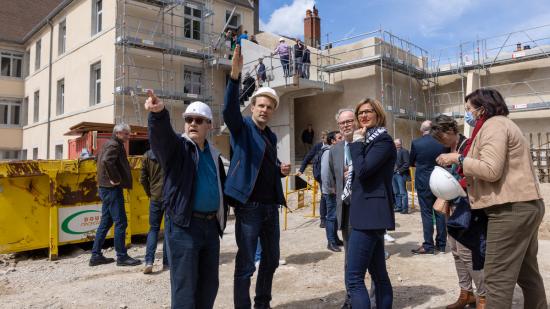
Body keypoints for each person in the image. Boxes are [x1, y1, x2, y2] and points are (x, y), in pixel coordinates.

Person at [435, 88, 547, 309]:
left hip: (509, 210)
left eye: (469, 109)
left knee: (496, 278)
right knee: (527, 273)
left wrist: (458, 158)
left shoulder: (494, 125)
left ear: (482, 108)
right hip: (523, 205)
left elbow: (490, 169)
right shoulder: (501, 125)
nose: (467, 114)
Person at [144, 96, 228, 308]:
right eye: (189, 119)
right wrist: (158, 114)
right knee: (185, 287)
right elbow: (161, 138)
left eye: (199, 120)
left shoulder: (214, 155)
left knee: (209, 285)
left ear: (209, 125)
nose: (193, 123)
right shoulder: (178, 149)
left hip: (210, 228)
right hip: (185, 227)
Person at [223, 45, 291, 309]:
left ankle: (262, 303)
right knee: (246, 264)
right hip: (249, 206)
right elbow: (229, 110)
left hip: (270, 206)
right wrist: (234, 77)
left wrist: (279, 170)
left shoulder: (270, 135)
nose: (264, 110)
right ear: (252, 107)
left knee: (271, 260)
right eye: (260, 105)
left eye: (269, 107)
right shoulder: (242, 128)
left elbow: (265, 164)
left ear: (273, 111)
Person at [430, 114, 486, 309]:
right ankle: (466, 292)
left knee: (468, 252)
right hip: (451, 204)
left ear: (451, 130)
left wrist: (452, 181)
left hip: (467, 206)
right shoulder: (446, 149)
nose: (440, 142)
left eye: (441, 137)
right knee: (454, 250)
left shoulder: (468, 145)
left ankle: (483, 296)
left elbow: (474, 175)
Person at [345, 98, 396, 309]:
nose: (363, 116)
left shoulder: (382, 141)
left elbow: (364, 171)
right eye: (360, 113)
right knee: (378, 274)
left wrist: (356, 144)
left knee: (354, 278)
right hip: (367, 212)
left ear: (378, 114)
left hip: (370, 214)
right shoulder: (369, 140)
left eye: (368, 111)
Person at [90, 123, 141, 267]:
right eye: (126, 133)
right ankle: (122, 257)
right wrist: (115, 178)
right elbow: (106, 161)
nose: (128, 136)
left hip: (105, 187)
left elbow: (97, 159)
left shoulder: (108, 143)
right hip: (111, 189)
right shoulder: (114, 145)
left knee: (106, 222)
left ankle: (95, 255)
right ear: (118, 133)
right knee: (121, 222)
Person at [328, 108, 356, 308]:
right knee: (349, 259)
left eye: (349, 121)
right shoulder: (335, 150)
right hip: (346, 211)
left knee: (372, 258)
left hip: (367, 210)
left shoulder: (367, 143)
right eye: (342, 123)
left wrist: (355, 176)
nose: (346, 125)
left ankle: (373, 299)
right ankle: (350, 297)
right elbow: (332, 181)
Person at [410, 120, 448, 255]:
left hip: (423, 181)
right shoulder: (442, 142)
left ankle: (428, 245)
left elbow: (411, 161)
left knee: (426, 213)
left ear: (422, 129)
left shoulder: (416, 143)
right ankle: (442, 244)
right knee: (440, 211)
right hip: (440, 180)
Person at [140, 149, 169, 274]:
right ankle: (167, 263)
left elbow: (142, 179)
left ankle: (149, 261)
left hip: (155, 197)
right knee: (168, 229)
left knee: (153, 229)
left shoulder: (146, 156)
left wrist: (149, 193)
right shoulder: (170, 153)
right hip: (169, 197)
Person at [297, 130, 329, 228]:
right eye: (325, 138)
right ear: (322, 138)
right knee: (324, 196)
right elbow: (308, 157)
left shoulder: (333, 146)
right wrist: (301, 170)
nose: (327, 140)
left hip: (331, 175)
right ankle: (323, 219)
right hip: (320, 175)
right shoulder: (318, 147)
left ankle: (331, 217)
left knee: (330, 196)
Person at [320, 131, 342, 252]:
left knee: (335, 216)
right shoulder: (328, 153)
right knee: (331, 216)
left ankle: (336, 239)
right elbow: (325, 173)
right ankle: (331, 242)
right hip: (331, 191)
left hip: (337, 190)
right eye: (339, 138)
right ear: (333, 141)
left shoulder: (336, 152)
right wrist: (330, 189)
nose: (342, 139)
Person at [392, 138, 410, 214]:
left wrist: (399, 171)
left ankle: (405, 208)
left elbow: (407, 163)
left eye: (395, 143)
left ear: (399, 144)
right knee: (396, 192)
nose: (394, 145)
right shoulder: (392, 152)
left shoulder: (404, 151)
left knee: (403, 192)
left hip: (400, 174)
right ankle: (398, 207)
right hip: (393, 174)